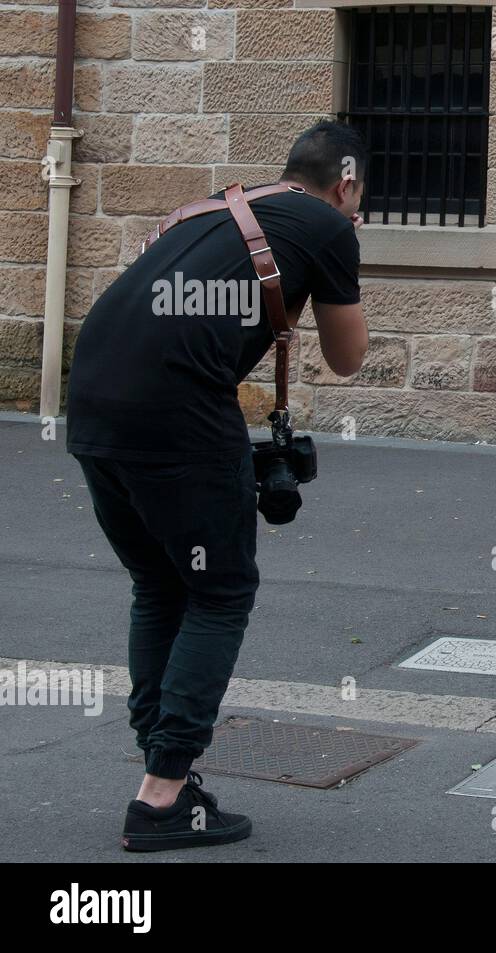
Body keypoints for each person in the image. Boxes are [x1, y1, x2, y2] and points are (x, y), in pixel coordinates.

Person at [65, 120, 370, 850]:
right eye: (356, 200)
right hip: (178, 415)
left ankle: (162, 767)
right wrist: (337, 256)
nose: (353, 212)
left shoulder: (213, 208)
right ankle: (162, 794)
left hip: (93, 397)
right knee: (221, 590)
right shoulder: (328, 224)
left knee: (162, 583)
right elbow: (349, 356)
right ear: (347, 182)